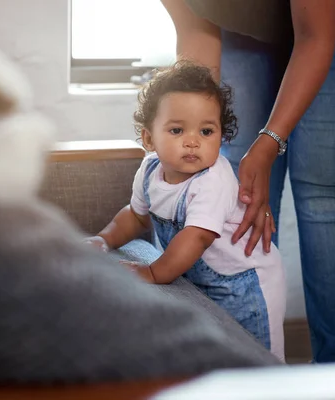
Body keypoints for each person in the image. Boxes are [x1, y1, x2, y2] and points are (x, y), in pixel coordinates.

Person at [160, 0, 335, 363]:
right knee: (236, 180)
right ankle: (247, 366)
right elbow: (197, 30)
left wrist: (270, 141)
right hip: (247, 19)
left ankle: (334, 376)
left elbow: (315, 38)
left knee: (324, 188)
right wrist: (193, 127)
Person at [84, 61, 287, 361]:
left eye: (206, 131)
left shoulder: (213, 180)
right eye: (177, 130)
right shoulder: (151, 169)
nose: (192, 141)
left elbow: (196, 238)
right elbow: (136, 216)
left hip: (246, 283)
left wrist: (153, 272)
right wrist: (104, 240)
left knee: (258, 360)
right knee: (214, 358)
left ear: (222, 136)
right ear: (149, 139)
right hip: (201, 277)